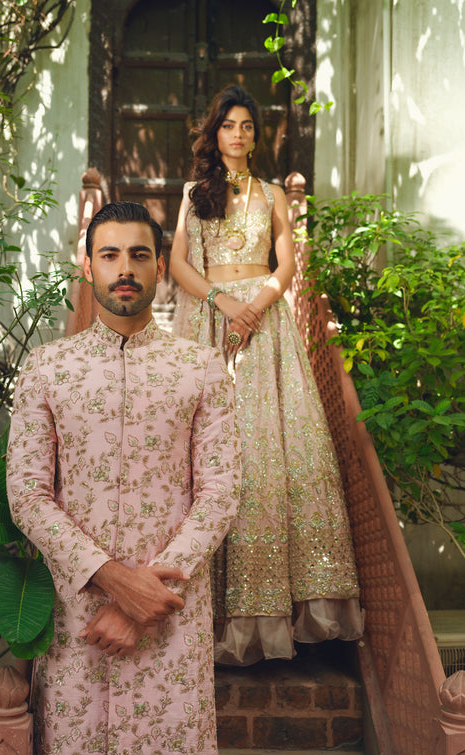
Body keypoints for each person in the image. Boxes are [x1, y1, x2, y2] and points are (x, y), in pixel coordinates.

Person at [6, 201, 241, 755]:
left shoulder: (200, 367)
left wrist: (146, 599)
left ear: (161, 266)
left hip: (170, 617)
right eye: (109, 255)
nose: (125, 269)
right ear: (87, 266)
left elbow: (220, 491)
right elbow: (27, 492)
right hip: (80, 616)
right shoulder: (48, 368)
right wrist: (114, 580)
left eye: (139, 255)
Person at [169, 85, 364, 667]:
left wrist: (255, 306)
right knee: (211, 450)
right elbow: (177, 263)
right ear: (215, 133)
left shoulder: (273, 194)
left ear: (256, 136)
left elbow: (286, 265)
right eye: (228, 125)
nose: (238, 134)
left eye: (247, 126)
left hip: (265, 326)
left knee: (269, 451)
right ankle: (207, 611)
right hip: (211, 320)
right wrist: (225, 303)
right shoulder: (194, 194)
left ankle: (274, 609)